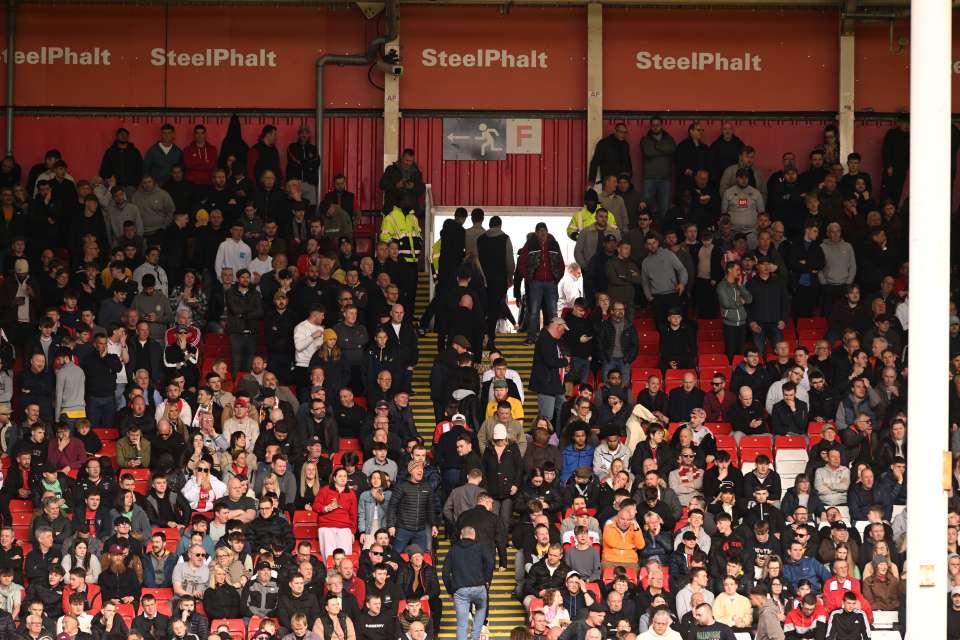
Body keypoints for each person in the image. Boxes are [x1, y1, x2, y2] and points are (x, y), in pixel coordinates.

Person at [521, 223, 564, 345]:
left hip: (550, 282)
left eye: (544, 230)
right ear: (536, 233)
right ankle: (531, 338)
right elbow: (522, 262)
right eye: (539, 231)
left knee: (553, 312)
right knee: (533, 312)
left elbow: (561, 262)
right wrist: (529, 277)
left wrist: (557, 278)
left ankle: (554, 338)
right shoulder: (530, 244)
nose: (542, 233)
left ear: (547, 231)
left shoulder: (554, 244)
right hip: (535, 282)